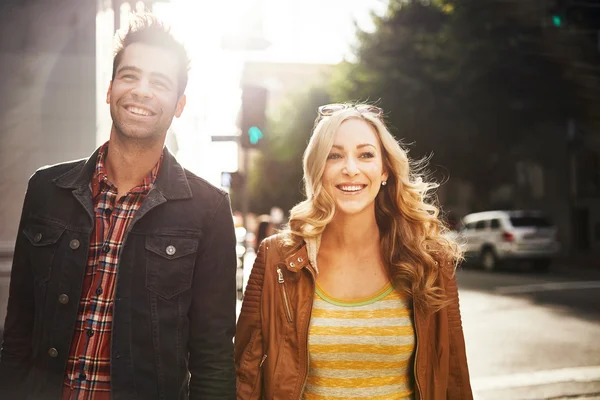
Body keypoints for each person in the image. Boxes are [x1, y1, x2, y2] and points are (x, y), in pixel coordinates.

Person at [0, 15, 237, 399]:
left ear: (179, 105)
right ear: (109, 89)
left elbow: (212, 359)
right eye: (129, 76)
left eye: (159, 82)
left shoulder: (208, 210)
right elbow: (17, 334)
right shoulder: (46, 189)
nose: (141, 91)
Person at [235, 103, 473, 399]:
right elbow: (245, 378)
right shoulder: (276, 259)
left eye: (365, 155)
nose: (350, 168)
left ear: (385, 169)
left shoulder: (429, 260)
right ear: (318, 169)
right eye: (334, 155)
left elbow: (454, 379)